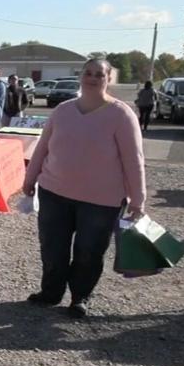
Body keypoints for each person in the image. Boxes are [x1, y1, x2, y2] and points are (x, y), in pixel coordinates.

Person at [22, 58, 146, 319]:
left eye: (99, 74)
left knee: (89, 252)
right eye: (88, 73)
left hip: (102, 201)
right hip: (54, 192)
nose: (92, 77)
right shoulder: (63, 110)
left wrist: (138, 199)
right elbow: (42, 146)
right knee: (52, 247)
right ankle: (50, 293)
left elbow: (134, 160)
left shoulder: (122, 115)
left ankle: (80, 297)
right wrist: (29, 178)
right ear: (81, 76)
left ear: (108, 78)